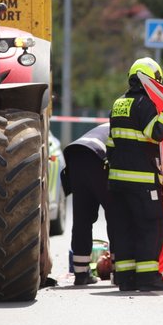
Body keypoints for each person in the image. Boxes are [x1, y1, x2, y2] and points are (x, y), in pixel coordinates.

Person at [104, 57, 163, 292]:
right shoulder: (144, 103)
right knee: (152, 225)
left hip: (117, 182)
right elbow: (156, 133)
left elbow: (111, 143)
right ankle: (148, 277)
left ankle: (126, 278)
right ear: (153, 81)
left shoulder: (118, 103)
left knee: (124, 228)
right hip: (141, 181)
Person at [61, 122, 110, 286]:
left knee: (82, 219)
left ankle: (81, 274)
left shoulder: (110, 123)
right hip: (97, 158)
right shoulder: (134, 125)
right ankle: (120, 274)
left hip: (75, 156)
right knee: (117, 217)